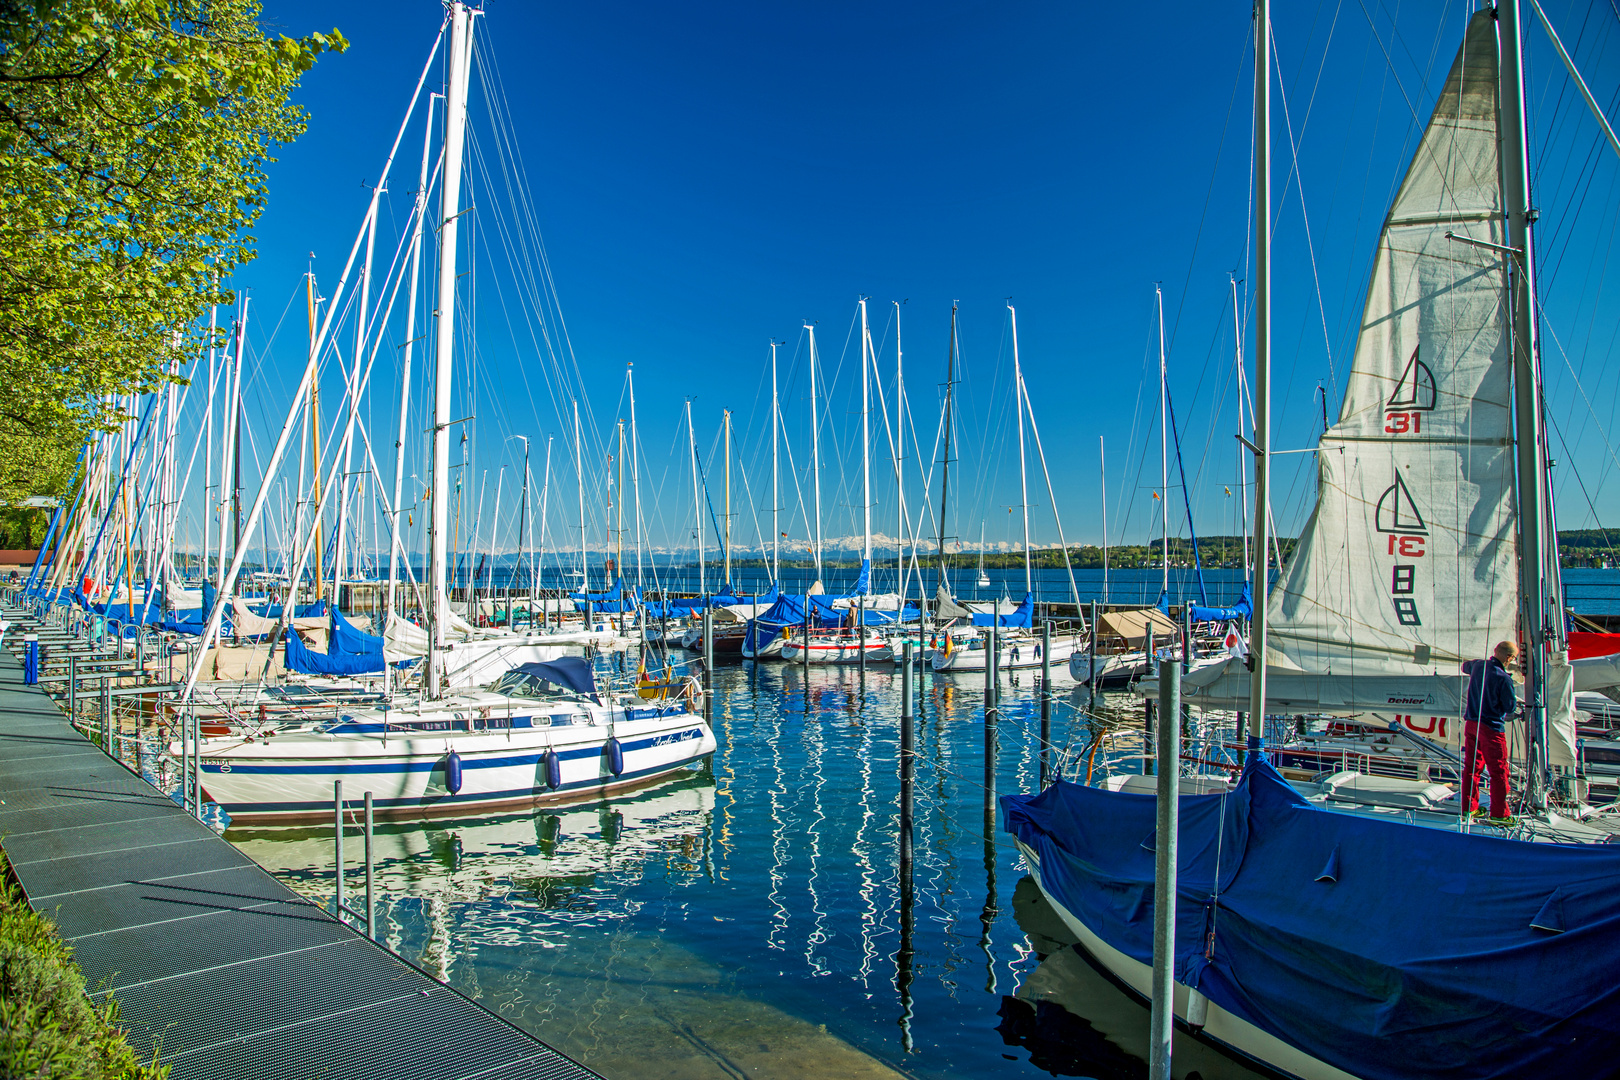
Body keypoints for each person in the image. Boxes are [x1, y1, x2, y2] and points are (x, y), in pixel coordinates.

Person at [1460, 641, 1519, 822]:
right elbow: (1510, 707)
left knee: (1471, 768)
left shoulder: (1478, 666)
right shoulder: (1504, 678)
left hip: (1472, 724)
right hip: (1491, 728)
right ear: (1509, 658)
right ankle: (1500, 814)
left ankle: (1469, 809)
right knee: (1499, 772)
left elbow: (1465, 666)